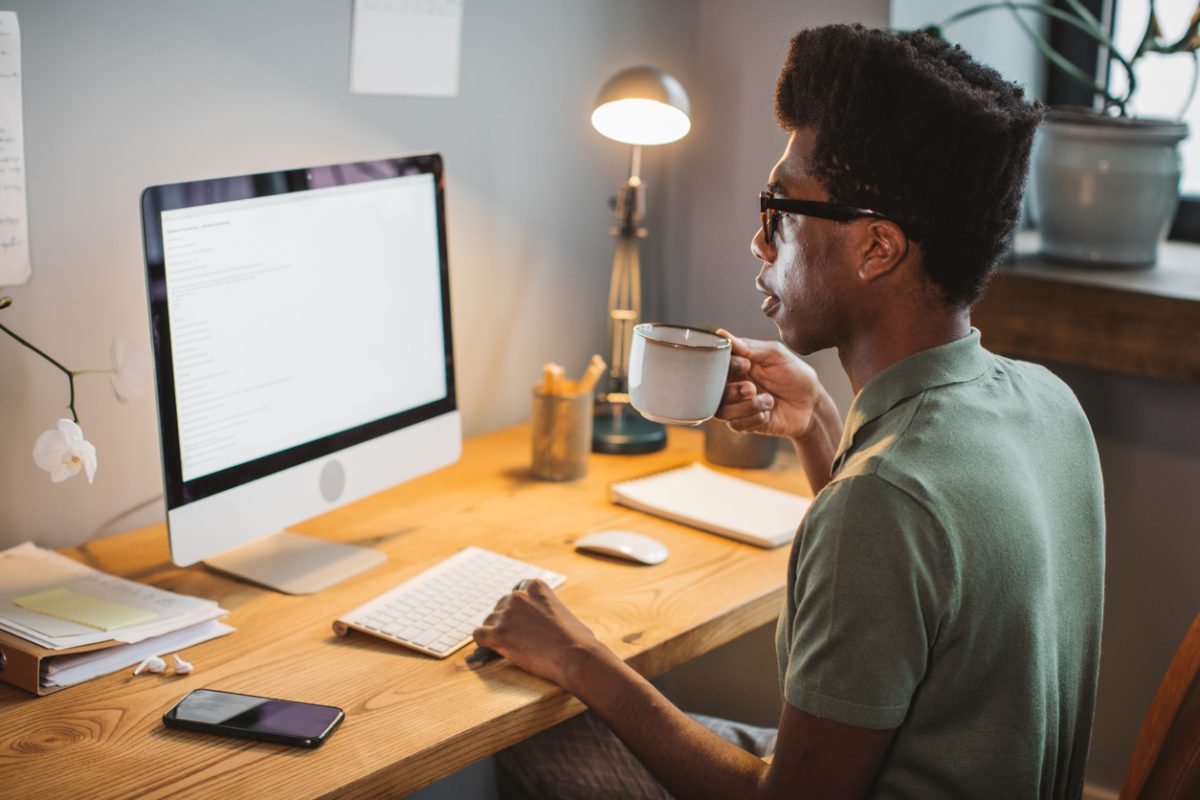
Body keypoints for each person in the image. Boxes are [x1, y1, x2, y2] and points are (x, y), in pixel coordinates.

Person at [473, 23, 1105, 800]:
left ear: (877, 249)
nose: (757, 242)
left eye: (780, 210)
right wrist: (817, 426)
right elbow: (910, 585)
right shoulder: (1047, 403)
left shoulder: (883, 504)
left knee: (546, 746)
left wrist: (579, 656)